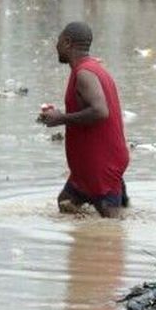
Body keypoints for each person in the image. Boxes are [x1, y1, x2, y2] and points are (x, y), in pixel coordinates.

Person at [38, 22, 130, 218]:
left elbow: (100, 111)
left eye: (59, 41)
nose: (56, 46)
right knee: (65, 203)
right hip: (87, 166)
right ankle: (86, 241)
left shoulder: (84, 73)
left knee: (112, 226)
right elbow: (90, 108)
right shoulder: (90, 69)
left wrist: (61, 118)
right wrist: (59, 115)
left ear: (68, 43)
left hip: (100, 163)